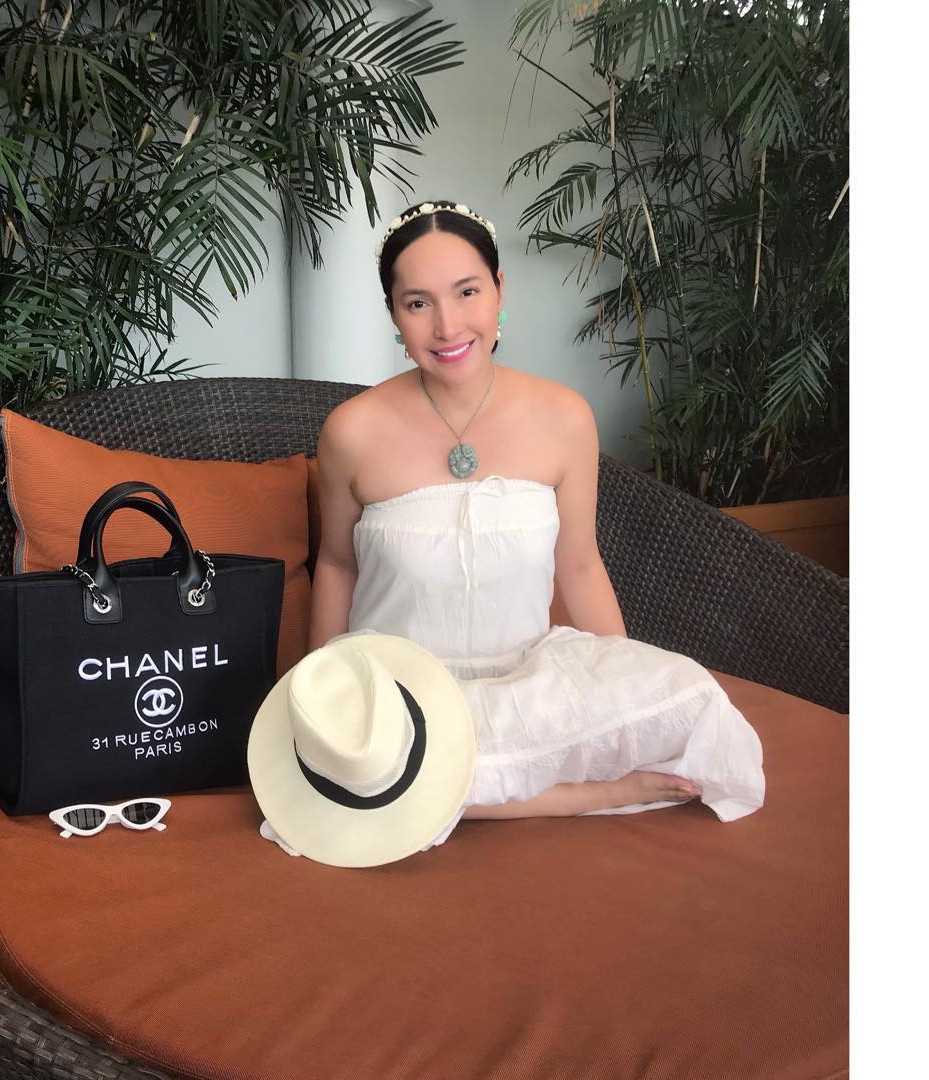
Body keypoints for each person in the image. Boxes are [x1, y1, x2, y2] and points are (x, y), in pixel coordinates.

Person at [264, 199, 764, 856]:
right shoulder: (352, 431)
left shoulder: (565, 418)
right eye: (418, 303)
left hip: (529, 683)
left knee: (691, 698)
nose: (447, 325)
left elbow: (579, 565)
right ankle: (581, 796)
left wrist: (620, 693)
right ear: (393, 314)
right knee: (379, 773)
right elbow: (336, 564)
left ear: (499, 289)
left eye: (467, 292)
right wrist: (322, 695)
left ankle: (471, 792)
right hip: (400, 697)